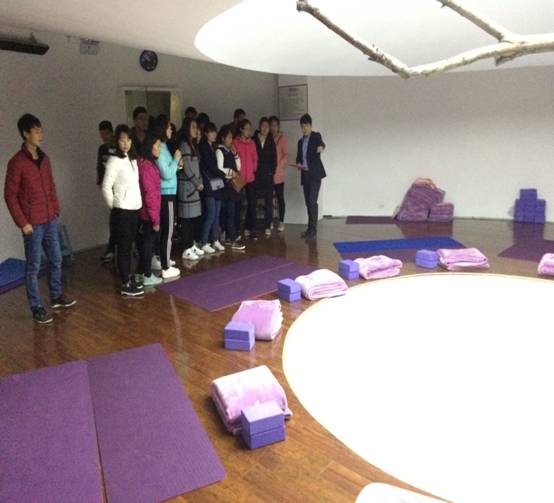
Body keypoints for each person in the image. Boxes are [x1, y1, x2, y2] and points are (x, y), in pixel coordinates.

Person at [4, 113, 77, 323]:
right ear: (25, 134)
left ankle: (56, 296)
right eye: (36, 131)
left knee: (56, 259)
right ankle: (36, 307)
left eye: (41, 131)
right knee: (33, 267)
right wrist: (23, 223)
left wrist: (55, 209)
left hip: (49, 218)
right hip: (32, 224)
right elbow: (9, 195)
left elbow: (51, 185)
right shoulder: (16, 162)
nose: (40, 135)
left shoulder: (45, 159)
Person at [102, 124, 143, 296]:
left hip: (134, 209)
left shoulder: (132, 160)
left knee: (131, 246)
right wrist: (115, 206)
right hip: (122, 210)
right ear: (117, 141)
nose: (125, 143)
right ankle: (125, 283)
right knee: (124, 248)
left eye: (128, 140)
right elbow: (106, 186)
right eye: (122, 140)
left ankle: (129, 277)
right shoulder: (114, 161)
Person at [151, 115, 182, 280]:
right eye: (169, 127)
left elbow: (170, 169)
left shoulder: (163, 146)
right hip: (166, 193)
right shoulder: (160, 149)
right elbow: (166, 173)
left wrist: (177, 164)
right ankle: (165, 266)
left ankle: (162, 258)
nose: (171, 130)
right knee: (168, 231)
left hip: (167, 192)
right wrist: (176, 161)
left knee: (164, 230)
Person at [136, 134, 163, 287]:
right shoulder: (147, 168)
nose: (159, 149)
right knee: (148, 244)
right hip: (148, 214)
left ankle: (141, 272)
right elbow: (150, 195)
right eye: (157, 146)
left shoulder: (147, 165)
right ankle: (146, 274)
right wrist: (155, 219)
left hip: (146, 212)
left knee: (145, 244)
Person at [177, 118, 205, 261]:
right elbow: (187, 168)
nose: (196, 130)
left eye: (196, 127)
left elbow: (196, 166)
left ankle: (191, 244)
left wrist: (200, 181)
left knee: (194, 218)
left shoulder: (193, 144)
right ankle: (186, 248)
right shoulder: (184, 145)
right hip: (188, 187)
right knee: (187, 220)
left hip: (195, 186)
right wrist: (196, 182)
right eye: (193, 127)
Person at [296, 113, 326, 240]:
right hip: (305, 175)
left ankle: (313, 230)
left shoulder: (316, 136)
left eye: (307, 126)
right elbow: (299, 157)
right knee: (308, 203)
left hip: (315, 175)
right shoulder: (300, 142)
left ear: (311, 126)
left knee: (312, 202)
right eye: (302, 126)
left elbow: (322, 144)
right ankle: (309, 229)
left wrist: (321, 147)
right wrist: (298, 163)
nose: (304, 129)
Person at [216, 125, 246, 251]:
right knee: (229, 213)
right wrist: (230, 172)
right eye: (228, 137)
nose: (231, 140)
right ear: (223, 138)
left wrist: (236, 154)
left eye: (231, 137)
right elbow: (219, 168)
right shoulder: (219, 151)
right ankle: (231, 238)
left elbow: (238, 167)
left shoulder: (230, 151)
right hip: (226, 186)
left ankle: (231, 236)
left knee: (234, 212)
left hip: (234, 186)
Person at [198, 123, 226, 254]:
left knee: (217, 214)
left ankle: (215, 239)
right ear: (205, 134)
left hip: (216, 184)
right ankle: (204, 241)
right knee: (211, 214)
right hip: (209, 184)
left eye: (215, 132)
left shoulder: (212, 147)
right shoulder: (203, 147)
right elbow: (210, 166)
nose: (214, 134)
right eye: (211, 132)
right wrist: (224, 174)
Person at [232, 119, 258, 239]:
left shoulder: (252, 143)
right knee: (238, 204)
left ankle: (251, 228)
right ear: (241, 129)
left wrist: (253, 169)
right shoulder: (235, 142)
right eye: (246, 129)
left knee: (252, 203)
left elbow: (255, 158)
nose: (248, 131)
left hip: (250, 178)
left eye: (249, 129)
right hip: (239, 178)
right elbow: (233, 159)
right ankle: (237, 229)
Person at [97, 120, 117, 263]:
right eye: (101, 134)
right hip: (108, 188)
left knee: (119, 219)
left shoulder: (118, 147)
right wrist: (100, 182)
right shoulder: (102, 149)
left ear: (111, 132)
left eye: (106, 133)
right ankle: (112, 249)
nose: (104, 137)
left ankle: (114, 248)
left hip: (120, 187)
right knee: (114, 218)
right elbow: (99, 167)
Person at [252, 117, 277, 237]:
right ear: (259, 127)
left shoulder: (271, 140)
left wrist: (271, 172)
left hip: (268, 175)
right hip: (255, 175)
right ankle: (252, 225)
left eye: (267, 126)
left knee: (268, 200)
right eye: (263, 126)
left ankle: (268, 225)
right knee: (253, 201)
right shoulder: (253, 139)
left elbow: (274, 158)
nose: (265, 129)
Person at [269, 115, 288, 232]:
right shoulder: (267, 138)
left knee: (280, 198)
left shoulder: (282, 139)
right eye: (271, 125)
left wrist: (279, 165)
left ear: (278, 126)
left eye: (275, 125)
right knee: (269, 199)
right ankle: (270, 220)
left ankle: (281, 221)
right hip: (268, 175)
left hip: (279, 175)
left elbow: (285, 155)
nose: (273, 128)